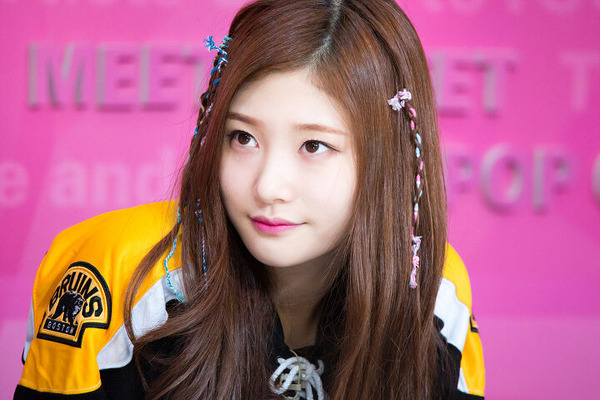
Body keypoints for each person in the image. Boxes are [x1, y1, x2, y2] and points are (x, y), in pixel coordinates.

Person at [14, 0, 485, 399]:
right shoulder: (121, 272)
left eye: (314, 145)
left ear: (390, 160)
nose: (267, 186)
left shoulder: (434, 288)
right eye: (243, 137)